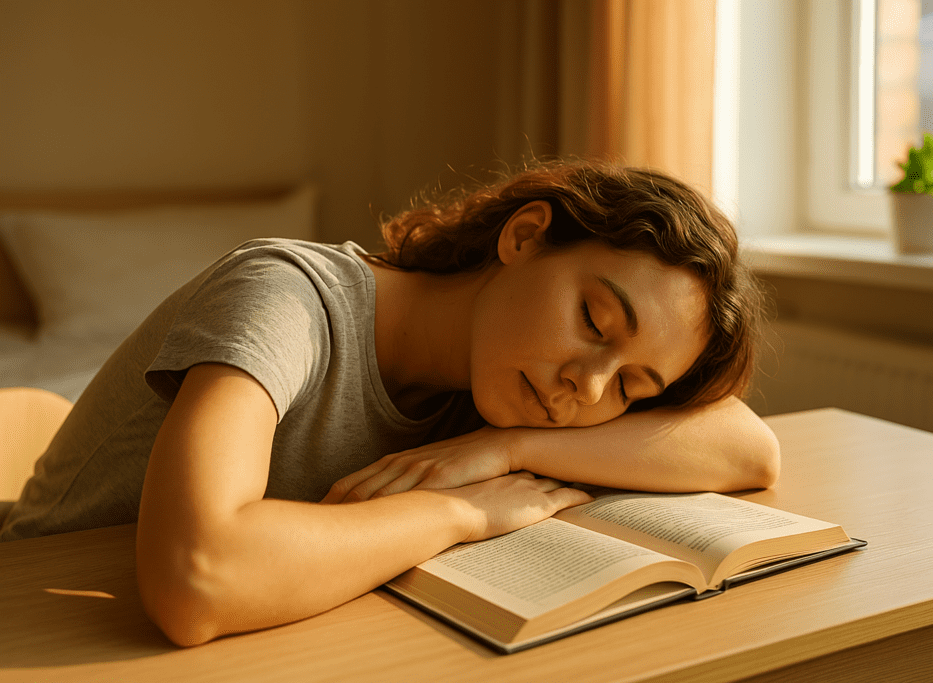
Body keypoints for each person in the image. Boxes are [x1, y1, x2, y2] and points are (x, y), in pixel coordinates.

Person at [0, 159, 780, 646]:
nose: (591, 386)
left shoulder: (496, 405)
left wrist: (509, 450)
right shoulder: (286, 296)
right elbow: (196, 577)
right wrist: (465, 512)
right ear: (525, 237)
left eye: (636, 385)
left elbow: (750, 449)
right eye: (594, 320)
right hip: (39, 628)